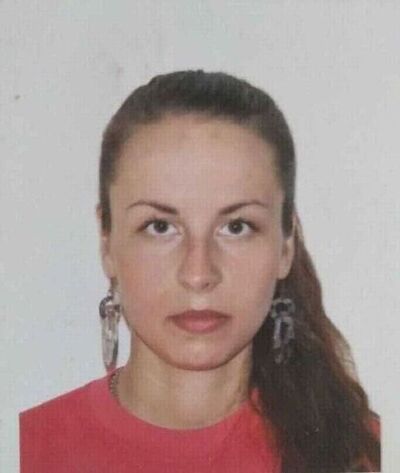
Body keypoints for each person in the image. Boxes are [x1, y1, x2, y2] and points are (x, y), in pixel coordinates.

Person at [19, 70, 381, 472]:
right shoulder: (25, 452)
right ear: (107, 242)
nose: (198, 274)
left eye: (236, 227)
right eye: (160, 227)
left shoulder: (365, 455)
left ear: (285, 246)